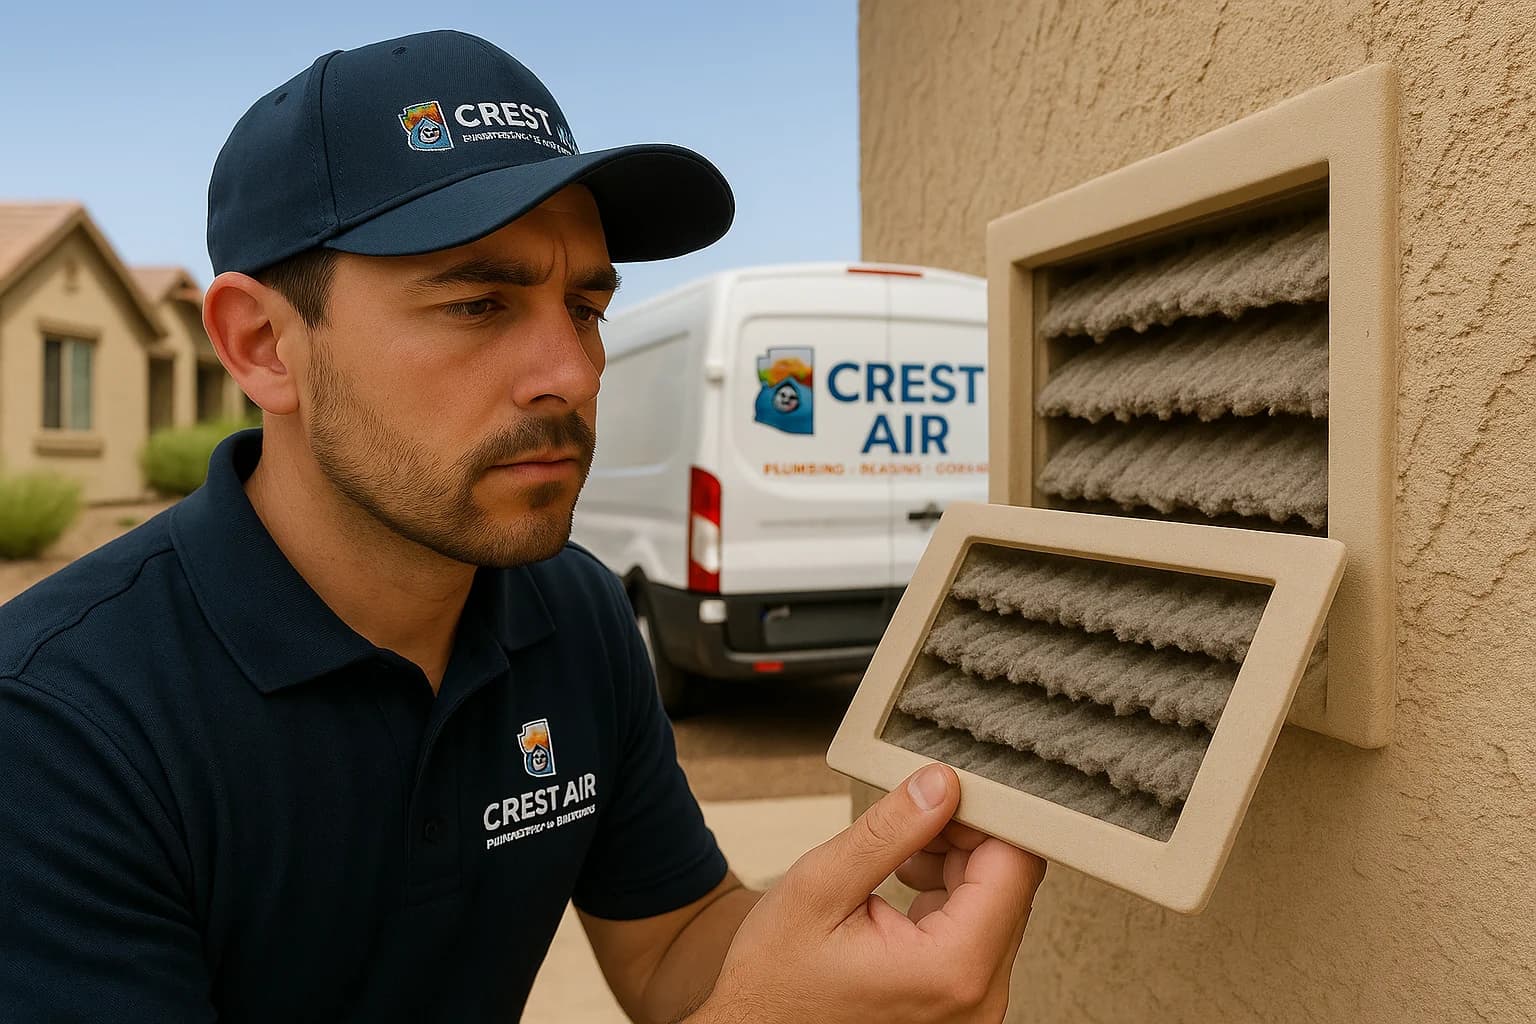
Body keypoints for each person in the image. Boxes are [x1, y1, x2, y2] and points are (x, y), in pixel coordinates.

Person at [0, 30, 1045, 1023]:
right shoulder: (55, 728)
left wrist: (836, 946)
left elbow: (675, 940)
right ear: (264, 345)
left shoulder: (573, 615)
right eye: (478, 305)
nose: (575, 373)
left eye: (586, 308)